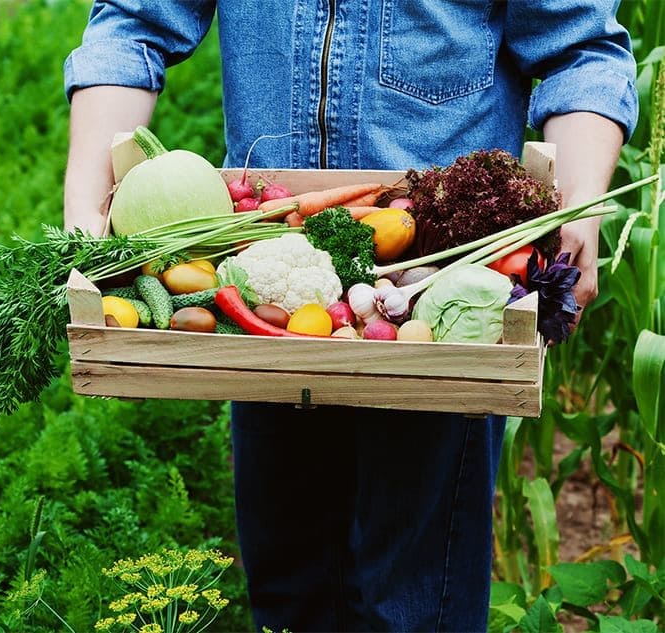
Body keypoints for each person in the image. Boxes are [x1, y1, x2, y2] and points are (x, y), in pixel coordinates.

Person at [62, 2, 638, 631]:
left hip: (442, 299)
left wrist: (582, 202)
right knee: (290, 593)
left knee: (416, 603)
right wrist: (86, 206)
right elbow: (134, 22)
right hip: (266, 279)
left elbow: (579, 49)